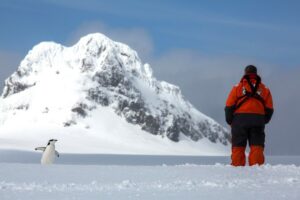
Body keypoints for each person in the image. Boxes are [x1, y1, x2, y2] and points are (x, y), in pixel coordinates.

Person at [225, 65, 273, 166]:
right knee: (257, 146)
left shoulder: (237, 87)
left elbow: (229, 106)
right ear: (256, 74)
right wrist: (263, 120)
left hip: (240, 120)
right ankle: (256, 169)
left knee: (238, 146)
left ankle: (237, 169)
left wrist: (230, 121)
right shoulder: (265, 89)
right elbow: (269, 108)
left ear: (245, 73)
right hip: (258, 119)